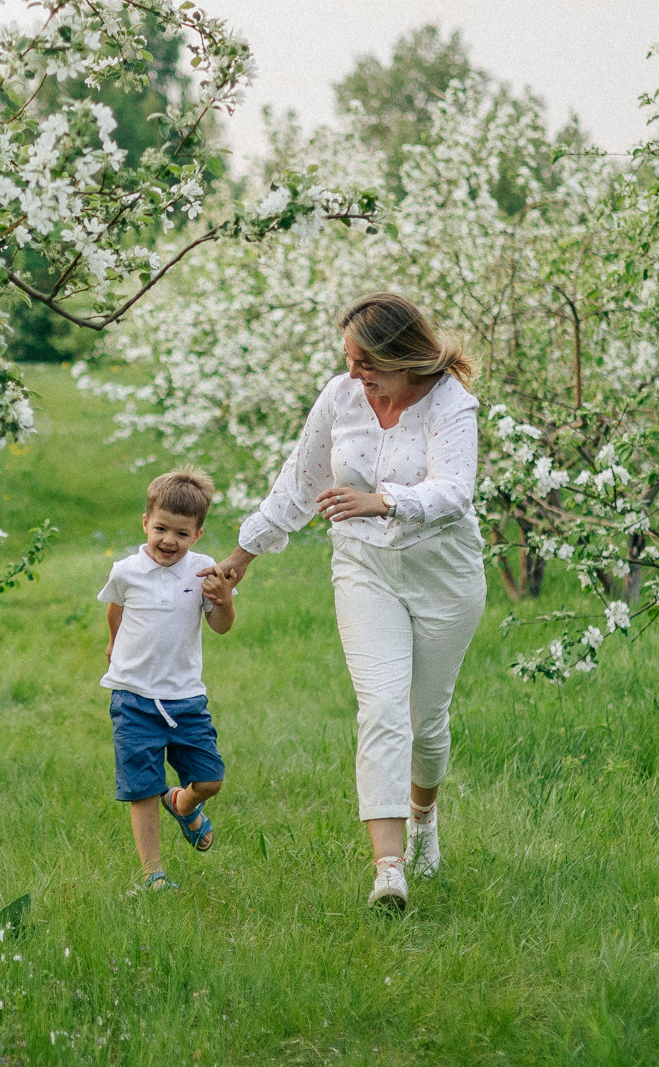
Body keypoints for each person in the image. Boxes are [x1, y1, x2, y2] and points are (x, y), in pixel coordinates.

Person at [207, 293, 483, 912]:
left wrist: (382, 500)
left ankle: (424, 820)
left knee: (427, 725)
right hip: (363, 568)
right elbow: (299, 484)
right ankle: (389, 871)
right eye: (350, 361)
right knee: (382, 708)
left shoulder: (451, 404)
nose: (355, 374)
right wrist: (240, 557)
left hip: (444, 572)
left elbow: (454, 491)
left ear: (402, 356)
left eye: (366, 362)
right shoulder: (340, 398)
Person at [99, 467, 238, 893]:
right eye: (160, 528)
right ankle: (153, 873)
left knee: (210, 778)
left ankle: (183, 802)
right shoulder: (126, 571)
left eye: (181, 533)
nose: (168, 541)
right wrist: (112, 644)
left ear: (197, 534)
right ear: (145, 522)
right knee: (142, 787)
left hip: (185, 699)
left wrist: (225, 598)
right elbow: (115, 609)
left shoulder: (203, 573)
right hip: (134, 696)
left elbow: (220, 626)